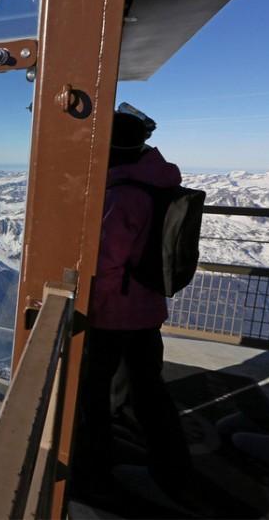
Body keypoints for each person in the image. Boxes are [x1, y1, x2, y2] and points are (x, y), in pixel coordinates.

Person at [77, 109, 194, 505]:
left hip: (114, 313)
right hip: (147, 307)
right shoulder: (156, 181)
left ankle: (95, 472)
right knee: (149, 390)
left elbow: (104, 263)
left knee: (93, 392)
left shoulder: (122, 193)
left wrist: (86, 306)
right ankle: (175, 469)